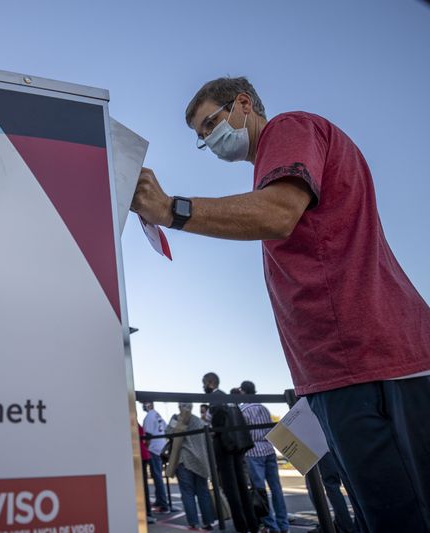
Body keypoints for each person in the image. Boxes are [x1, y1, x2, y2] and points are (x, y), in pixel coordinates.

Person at [131, 76, 430, 532]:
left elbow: (276, 214)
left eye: (210, 124)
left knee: (398, 516)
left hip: (368, 364)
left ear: (244, 104)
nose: (208, 139)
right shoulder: (276, 160)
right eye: (200, 137)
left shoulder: (288, 128)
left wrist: (171, 209)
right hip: (341, 370)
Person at [203, 373, 258, 533]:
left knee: (231, 488)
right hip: (236, 445)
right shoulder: (228, 398)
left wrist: (215, 429)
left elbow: (218, 414)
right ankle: (252, 524)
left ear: (211, 382)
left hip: (224, 445)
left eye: (204, 383)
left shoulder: (216, 397)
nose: (203, 386)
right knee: (241, 486)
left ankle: (241, 526)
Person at [238, 380, 288, 533]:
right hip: (268, 449)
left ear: (242, 392)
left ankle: (271, 525)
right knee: (276, 489)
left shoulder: (243, 410)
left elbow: (242, 434)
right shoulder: (264, 408)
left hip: (253, 452)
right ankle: (283, 524)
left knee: (260, 491)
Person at [166, 402, 215, 531]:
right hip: (200, 461)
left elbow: (168, 433)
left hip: (184, 460)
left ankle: (193, 523)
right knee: (203, 492)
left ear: (179, 407)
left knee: (187, 492)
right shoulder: (199, 421)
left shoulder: (176, 419)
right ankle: (208, 522)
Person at [142, 401, 169, 512]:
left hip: (154, 448)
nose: (143, 406)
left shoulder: (149, 416)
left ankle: (163, 504)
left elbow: (148, 435)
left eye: (144, 403)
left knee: (157, 476)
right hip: (161, 447)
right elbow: (166, 428)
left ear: (149, 404)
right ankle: (159, 500)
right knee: (156, 475)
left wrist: (146, 448)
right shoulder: (158, 415)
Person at [138, 422, 157, 525]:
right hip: (143, 454)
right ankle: (147, 513)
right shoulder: (137, 424)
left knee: (142, 487)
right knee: (143, 486)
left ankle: (147, 513)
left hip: (140, 455)